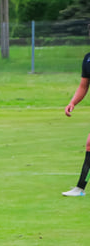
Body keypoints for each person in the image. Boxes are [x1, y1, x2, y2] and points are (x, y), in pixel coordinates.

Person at [62, 51, 90, 197]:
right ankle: (80, 189)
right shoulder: (88, 58)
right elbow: (84, 86)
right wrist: (73, 102)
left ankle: (80, 188)